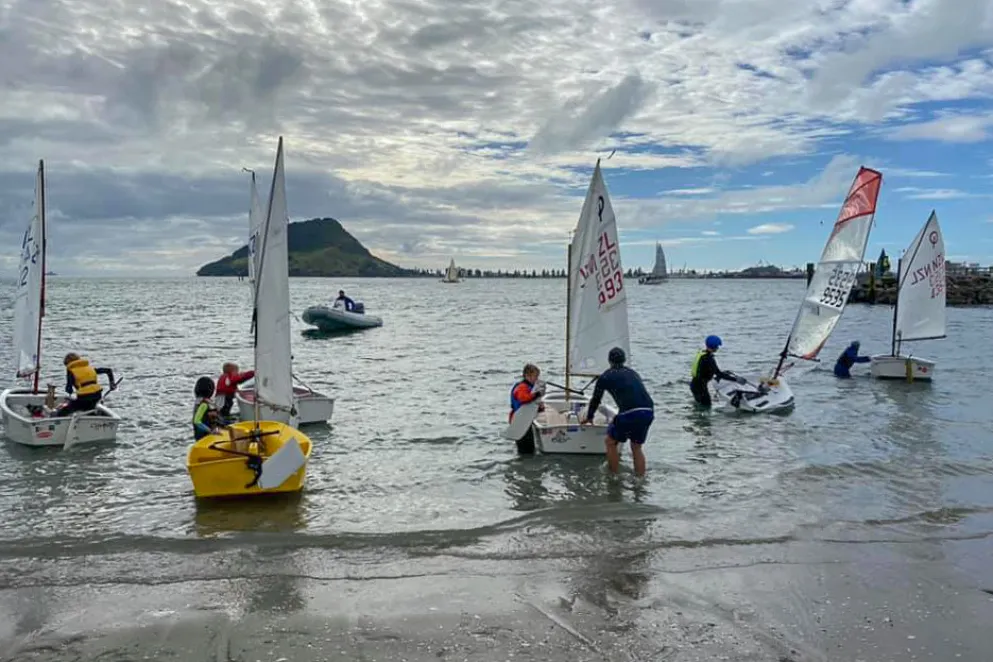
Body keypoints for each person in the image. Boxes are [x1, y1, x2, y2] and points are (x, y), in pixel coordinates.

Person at [582, 347, 654, 476]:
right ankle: (640, 480)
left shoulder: (605, 376)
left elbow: (596, 399)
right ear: (624, 360)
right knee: (636, 447)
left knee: (610, 442)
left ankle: (613, 476)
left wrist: (590, 416)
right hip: (648, 411)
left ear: (609, 361)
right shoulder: (633, 373)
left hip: (629, 413)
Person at [53, 352, 116, 417]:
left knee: (65, 411)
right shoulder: (89, 368)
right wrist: (112, 383)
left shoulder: (71, 371)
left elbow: (69, 389)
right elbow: (108, 370)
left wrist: (69, 394)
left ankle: (56, 419)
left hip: (84, 397)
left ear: (67, 364)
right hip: (97, 395)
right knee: (90, 409)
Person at [689, 335, 741, 408]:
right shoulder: (709, 359)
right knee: (707, 407)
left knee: (699, 405)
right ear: (714, 346)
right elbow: (719, 374)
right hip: (701, 388)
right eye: (717, 346)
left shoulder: (702, 353)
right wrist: (736, 379)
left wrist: (724, 373)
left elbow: (706, 370)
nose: (718, 348)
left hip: (694, 385)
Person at [509, 363, 545, 455]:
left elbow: (530, 404)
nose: (537, 379)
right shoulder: (521, 387)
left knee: (530, 447)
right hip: (518, 421)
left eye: (537, 376)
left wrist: (539, 407)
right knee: (525, 449)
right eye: (535, 376)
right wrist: (536, 394)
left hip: (525, 421)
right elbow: (523, 398)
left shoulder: (530, 387)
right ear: (527, 376)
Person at [193, 376, 223, 441]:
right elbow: (197, 421)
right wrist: (210, 431)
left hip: (204, 435)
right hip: (204, 436)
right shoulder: (204, 404)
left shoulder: (199, 401)